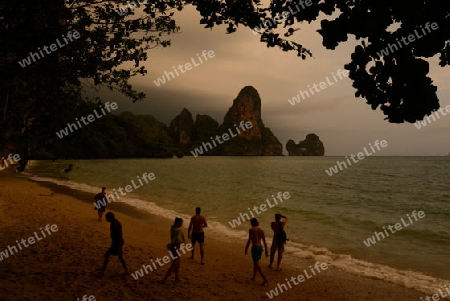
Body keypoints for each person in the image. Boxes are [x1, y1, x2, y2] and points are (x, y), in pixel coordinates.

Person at [245, 218, 268, 286]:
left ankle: (264, 278)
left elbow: (249, 240)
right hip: (260, 247)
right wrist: (266, 250)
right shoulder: (261, 230)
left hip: (255, 247)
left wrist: (246, 248)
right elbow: (264, 241)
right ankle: (253, 277)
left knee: (257, 264)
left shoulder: (251, 230)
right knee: (255, 263)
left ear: (252, 223)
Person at [162, 217, 185, 283]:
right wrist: (181, 241)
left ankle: (177, 278)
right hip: (176, 248)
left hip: (173, 248)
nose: (182, 225)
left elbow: (175, 239)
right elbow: (180, 240)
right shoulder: (179, 231)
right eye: (181, 223)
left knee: (177, 264)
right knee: (174, 265)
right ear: (178, 223)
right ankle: (164, 279)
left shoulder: (172, 229)